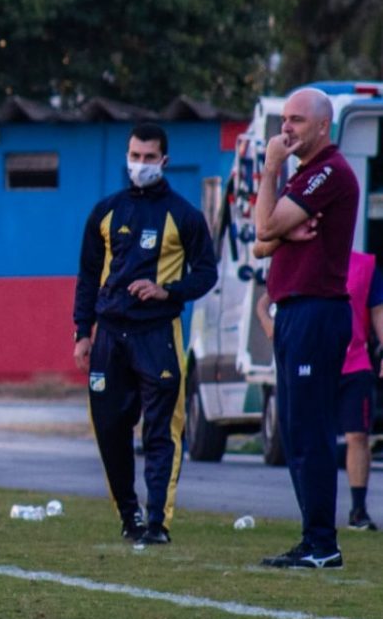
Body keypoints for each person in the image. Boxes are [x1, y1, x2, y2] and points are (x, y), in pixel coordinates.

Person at [73, 122, 218, 546]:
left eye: (149, 158)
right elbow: (86, 275)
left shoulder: (185, 216)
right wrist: (83, 331)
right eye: (134, 156)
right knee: (109, 426)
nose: (140, 165)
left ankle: (158, 522)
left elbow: (207, 273)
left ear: (164, 161)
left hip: (158, 335)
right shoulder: (105, 211)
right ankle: (128, 514)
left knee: (161, 430)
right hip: (108, 338)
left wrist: (166, 290)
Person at [253, 87, 357, 569]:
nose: (286, 128)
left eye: (296, 120)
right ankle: (311, 537)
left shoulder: (330, 172)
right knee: (294, 430)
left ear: (323, 126)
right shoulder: (306, 174)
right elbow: (260, 237)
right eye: (284, 119)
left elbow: (266, 224)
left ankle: (322, 543)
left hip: (318, 309)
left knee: (311, 429)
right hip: (293, 310)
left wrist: (271, 171)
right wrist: (277, 231)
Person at [256, 251, 383, 532]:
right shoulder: (303, 259)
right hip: (314, 362)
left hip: (354, 364)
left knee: (357, 435)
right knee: (309, 436)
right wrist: (276, 333)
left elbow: (378, 311)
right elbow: (264, 303)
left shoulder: (365, 266)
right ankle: (312, 512)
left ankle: (358, 509)